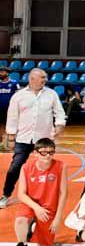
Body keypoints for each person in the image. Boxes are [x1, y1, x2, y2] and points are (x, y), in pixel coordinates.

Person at [1, 68, 65, 208]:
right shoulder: (18, 96)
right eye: (42, 77)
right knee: (15, 167)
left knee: (46, 168)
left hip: (44, 139)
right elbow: (12, 117)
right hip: (23, 138)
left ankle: (45, 196)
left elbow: (59, 112)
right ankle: (5, 195)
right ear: (32, 79)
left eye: (45, 77)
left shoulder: (52, 94)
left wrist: (60, 125)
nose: (45, 80)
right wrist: (11, 137)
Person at [10, 138, 68, 246]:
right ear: (35, 153)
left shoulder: (61, 166)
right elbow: (21, 194)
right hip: (31, 204)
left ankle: (33, 227)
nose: (47, 156)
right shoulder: (26, 167)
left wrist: (58, 217)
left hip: (48, 206)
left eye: (51, 152)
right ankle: (22, 245)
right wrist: (37, 208)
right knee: (20, 220)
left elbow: (63, 193)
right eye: (43, 153)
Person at [0, 65, 20, 150]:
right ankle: (1, 145)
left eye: (2, 72)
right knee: (1, 126)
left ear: (7, 73)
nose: (0, 73)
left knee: (11, 126)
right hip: (0, 109)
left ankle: (12, 145)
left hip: (11, 109)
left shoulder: (14, 83)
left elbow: (19, 95)